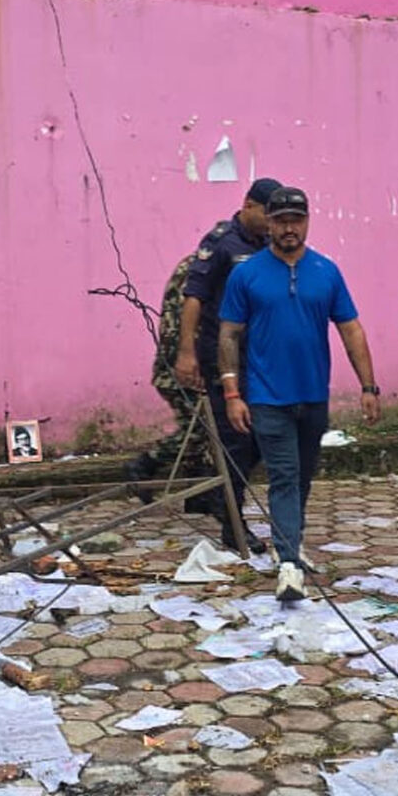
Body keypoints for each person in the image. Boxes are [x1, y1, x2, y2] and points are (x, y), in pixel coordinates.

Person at [219, 186, 380, 600]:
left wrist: (368, 386)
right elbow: (229, 334)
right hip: (267, 396)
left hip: (313, 395)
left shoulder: (326, 271)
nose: (289, 228)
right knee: (284, 475)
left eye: (296, 220)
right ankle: (288, 563)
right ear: (269, 224)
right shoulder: (247, 274)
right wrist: (233, 393)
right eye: (281, 221)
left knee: (303, 475)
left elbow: (351, 329)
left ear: (307, 222)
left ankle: (291, 541)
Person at [130, 178, 281, 554]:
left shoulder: (266, 245)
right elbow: (191, 305)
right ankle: (229, 520)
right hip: (217, 360)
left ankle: (211, 497)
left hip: (256, 360)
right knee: (229, 440)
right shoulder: (219, 246)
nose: (273, 223)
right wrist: (187, 355)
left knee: (256, 438)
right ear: (248, 205)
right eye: (268, 214)